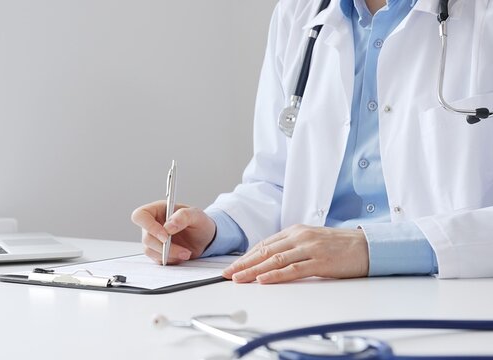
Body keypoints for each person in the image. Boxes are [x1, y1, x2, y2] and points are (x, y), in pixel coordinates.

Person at [131, 0, 493, 283]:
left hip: (446, 292)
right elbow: (274, 182)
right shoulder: (298, 14)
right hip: (307, 288)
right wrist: (214, 230)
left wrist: (370, 249)